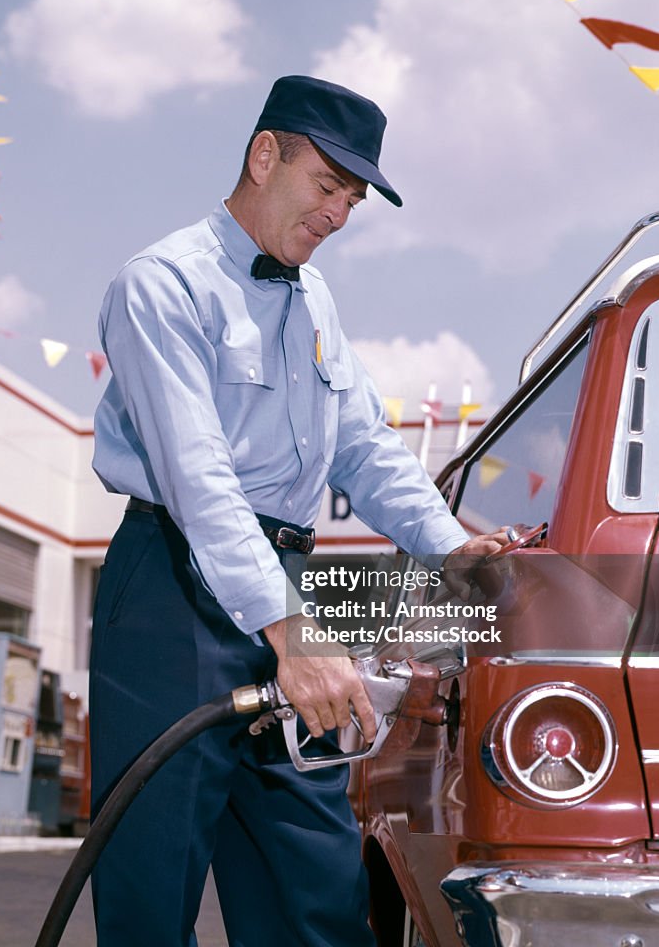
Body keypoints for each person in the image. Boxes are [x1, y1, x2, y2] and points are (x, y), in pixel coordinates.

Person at [89, 75, 508, 947]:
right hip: (170, 590)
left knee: (312, 878)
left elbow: (364, 446)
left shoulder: (314, 300)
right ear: (262, 154)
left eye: (352, 200)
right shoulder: (161, 286)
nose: (339, 216)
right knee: (153, 882)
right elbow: (199, 482)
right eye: (328, 187)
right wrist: (290, 633)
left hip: (284, 577)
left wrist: (452, 549)